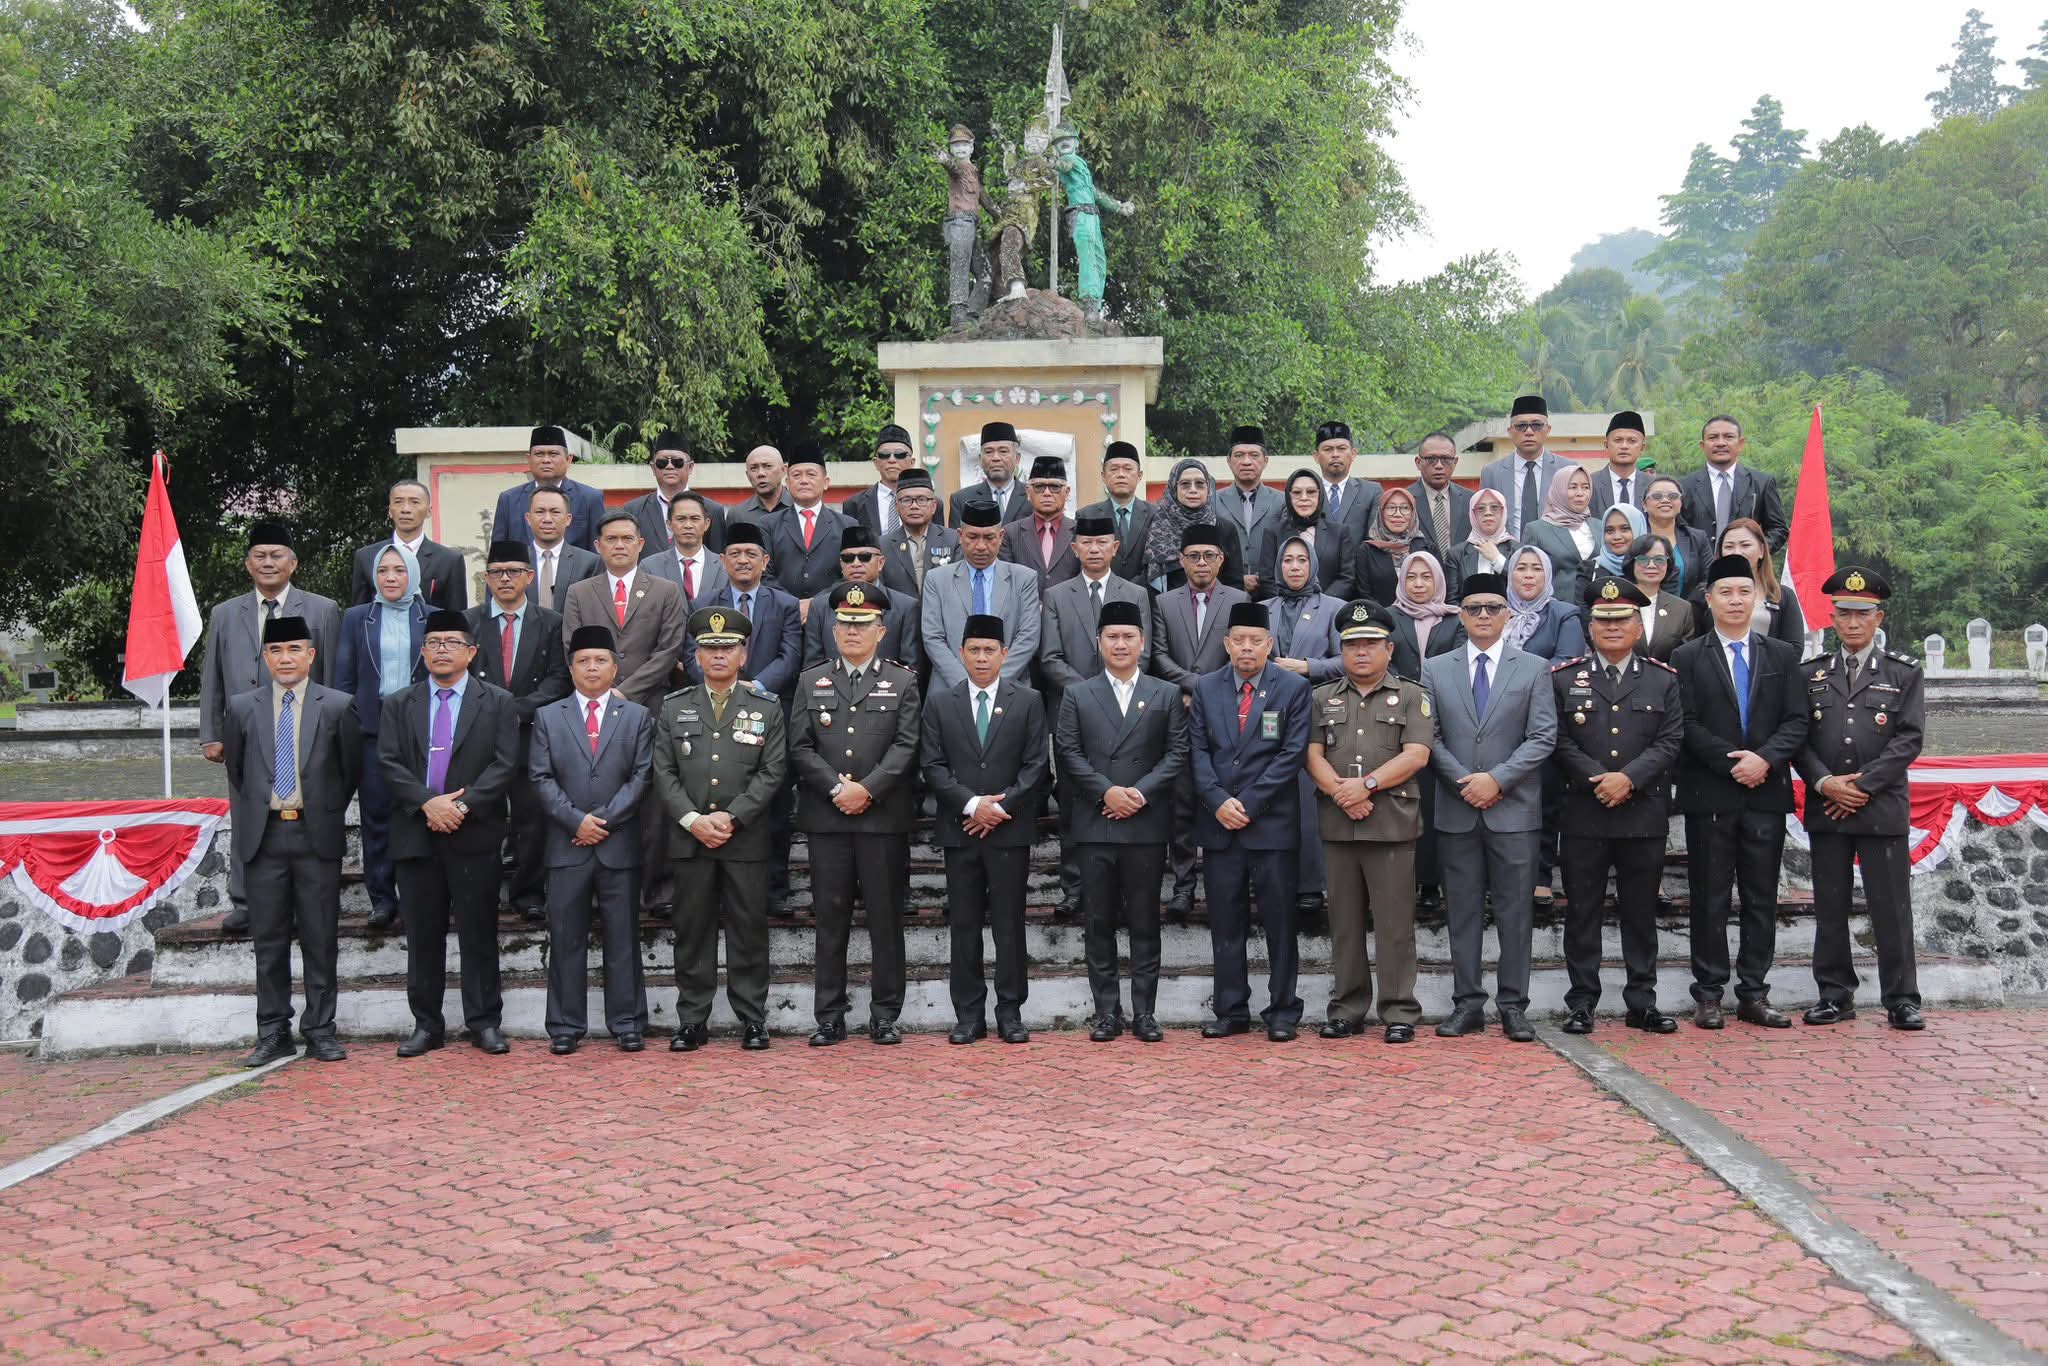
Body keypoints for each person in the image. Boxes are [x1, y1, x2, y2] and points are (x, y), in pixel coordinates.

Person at [1671, 555, 1809, 1029]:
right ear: (1708, 600)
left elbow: (1797, 720)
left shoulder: (1782, 655)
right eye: (1725, 593)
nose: (1735, 601)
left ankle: (1754, 992)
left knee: (1760, 897)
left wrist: (1764, 759)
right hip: (1710, 792)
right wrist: (1733, 762)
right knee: (1709, 897)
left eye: (1744, 592)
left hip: (1765, 792)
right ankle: (1709, 994)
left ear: (1758, 598)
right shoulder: (1687, 657)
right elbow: (1685, 723)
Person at [1422, 573, 1559, 1041]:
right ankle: (1467, 1004)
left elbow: (1542, 736)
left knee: (1515, 913)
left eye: (1493, 608)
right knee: (1461, 912)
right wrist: (1467, 781)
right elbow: (1428, 736)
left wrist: (1496, 780)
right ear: (1460, 616)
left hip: (1513, 810)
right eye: (1474, 608)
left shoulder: (1534, 668)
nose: (1483, 615)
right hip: (1457, 807)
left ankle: (1513, 1005)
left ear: (1508, 615)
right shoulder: (1435, 668)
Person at [378, 609, 521, 1057]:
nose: (442, 650)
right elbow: (389, 762)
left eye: (452, 643)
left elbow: (505, 764)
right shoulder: (399, 703)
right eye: (434, 643)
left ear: (471, 652)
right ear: (422, 652)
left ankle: (484, 1023)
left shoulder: (497, 701)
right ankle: (427, 1025)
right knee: (422, 936)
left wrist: (460, 805)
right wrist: (428, 803)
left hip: (473, 832)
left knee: (479, 933)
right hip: (416, 833)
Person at [223, 616, 361, 1066]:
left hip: (314, 835)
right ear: (265, 657)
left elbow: (350, 771)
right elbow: (239, 772)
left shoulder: (337, 706)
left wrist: (321, 809)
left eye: (295, 650)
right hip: (263, 838)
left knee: (320, 939)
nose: (286, 659)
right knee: (269, 941)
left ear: (311, 655)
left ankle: (321, 1030)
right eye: (276, 651)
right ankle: (272, 1031)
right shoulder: (242, 708)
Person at [789, 582, 922, 1046]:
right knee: (830, 921)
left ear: (880, 631)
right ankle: (829, 1016)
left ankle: (885, 1015)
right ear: (832, 628)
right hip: (828, 820)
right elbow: (800, 747)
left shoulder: (903, 681)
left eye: (862, 624)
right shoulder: (811, 680)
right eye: (845, 623)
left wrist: (867, 789)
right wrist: (836, 788)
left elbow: (907, 746)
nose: (852, 631)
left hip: (881, 820)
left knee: (886, 921)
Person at [1552, 578, 1686, 1035]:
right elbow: (1558, 740)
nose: (1612, 627)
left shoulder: (1662, 678)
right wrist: (1600, 779)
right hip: (1584, 813)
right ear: (1590, 627)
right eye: (1603, 620)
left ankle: (1641, 1003)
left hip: (1641, 813)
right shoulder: (1564, 678)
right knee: (1582, 913)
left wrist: (1628, 779)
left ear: (1638, 626)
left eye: (1621, 619)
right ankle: (1581, 1003)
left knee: (1640, 914)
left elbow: (1670, 740)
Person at [1795, 568, 1926, 1029]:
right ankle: (1835, 995)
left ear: (1878, 618)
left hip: (1880, 806)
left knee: (1891, 907)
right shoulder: (1810, 674)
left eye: (1862, 614)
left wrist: (1861, 786)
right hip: (1827, 805)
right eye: (1845, 614)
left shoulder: (1903, 672)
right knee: (1829, 906)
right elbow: (1798, 739)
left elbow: (1908, 739)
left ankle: (1902, 999)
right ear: (1832, 618)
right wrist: (1825, 783)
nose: (1853, 623)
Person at [1053, 599, 1189, 1043]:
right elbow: (1068, 752)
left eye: (1129, 636)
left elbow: (1177, 752)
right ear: (1099, 642)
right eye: (1112, 636)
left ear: (1143, 642)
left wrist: (1139, 793)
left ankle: (1145, 1012)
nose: (1120, 644)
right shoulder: (1078, 694)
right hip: (1095, 824)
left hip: (1144, 823)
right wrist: (1106, 792)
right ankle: (1106, 1012)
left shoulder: (1165, 693)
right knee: (1099, 922)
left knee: (1145, 921)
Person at [199, 521, 342, 931]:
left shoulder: (322, 610)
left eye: (276, 555)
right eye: (259, 556)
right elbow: (213, 677)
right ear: (248, 564)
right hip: (244, 733)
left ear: (292, 563)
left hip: (304, 728)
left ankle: (302, 901)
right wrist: (211, 733)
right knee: (247, 811)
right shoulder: (225, 614)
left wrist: (330, 729)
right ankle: (246, 900)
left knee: (305, 811)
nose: (267, 563)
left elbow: (332, 673)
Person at [657, 606, 788, 1052]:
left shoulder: (766, 708)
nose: (718, 655)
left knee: (748, 930)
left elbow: (772, 772)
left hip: (743, 838)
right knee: (692, 931)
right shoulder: (674, 706)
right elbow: (663, 772)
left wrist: (731, 817)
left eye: (727, 648)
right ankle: (692, 1020)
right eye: (709, 648)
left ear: (743, 655)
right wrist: (694, 820)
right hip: (690, 839)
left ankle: (753, 1019)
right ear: (695, 656)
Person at [1305, 602, 1433, 1043]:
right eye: (1352, 645)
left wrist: (1367, 787)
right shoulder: (1322, 696)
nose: (1361, 652)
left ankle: (1399, 1011)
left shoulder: (1412, 695)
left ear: (1389, 649)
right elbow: (1312, 753)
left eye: (1370, 644)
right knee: (1344, 923)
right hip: (1339, 824)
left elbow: (1417, 754)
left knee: (1395, 925)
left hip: (1390, 823)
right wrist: (1342, 793)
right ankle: (1347, 1009)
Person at [920, 615, 1049, 1044]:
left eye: (989, 650)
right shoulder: (941, 702)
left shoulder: (1027, 701)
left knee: (1009, 925)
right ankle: (968, 1015)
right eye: (973, 650)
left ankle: (1010, 1012)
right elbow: (932, 765)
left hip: (1009, 831)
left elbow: (1036, 766)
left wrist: (1000, 807)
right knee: (964, 925)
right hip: (960, 830)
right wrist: (973, 805)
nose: (981, 657)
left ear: (1004, 654)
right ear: (961, 654)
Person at [1189, 602, 1313, 1041]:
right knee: (1226, 922)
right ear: (1226, 644)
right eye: (1238, 640)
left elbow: (1291, 754)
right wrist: (1218, 801)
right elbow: (1197, 752)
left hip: (1271, 825)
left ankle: (1282, 1010)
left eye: (1255, 641)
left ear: (1269, 643)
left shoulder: (1293, 688)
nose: (1246, 648)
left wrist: (1248, 803)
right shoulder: (1206, 688)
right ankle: (1231, 1009)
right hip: (1220, 825)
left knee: (1280, 922)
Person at [529, 625, 655, 1054]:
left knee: (623, 938)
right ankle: (565, 1025)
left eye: (601, 660)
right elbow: (540, 777)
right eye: (583, 661)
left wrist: (601, 821)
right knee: (566, 939)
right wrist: (575, 822)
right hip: (567, 846)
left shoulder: (636, 716)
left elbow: (642, 776)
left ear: (615, 668)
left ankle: (628, 1022)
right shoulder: (549, 716)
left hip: (618, 845)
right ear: (571, 669)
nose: (592, 667)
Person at [563, 509, 688, 914]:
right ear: (598, 546)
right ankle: (603, 890)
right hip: (593, 711)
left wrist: (624, 692)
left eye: (626, 539)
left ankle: (657, 889)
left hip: (650, 707)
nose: (619, 545)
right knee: (600, 793)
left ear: (641, 544)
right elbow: (572, 649)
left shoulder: (666, 590)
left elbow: (669, 649)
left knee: (653, 800)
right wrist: (602, 692)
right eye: (611, 539)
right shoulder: (580, 592)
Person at [1039, 512, 1151, 917]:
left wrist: (1108, 692)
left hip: (1127, 714)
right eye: (1086, 543)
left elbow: (1144, 655)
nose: (1094, 549)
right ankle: (1074, 888)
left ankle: (1120, 888)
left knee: (1120, 794)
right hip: (1072, 712)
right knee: (1073, 801)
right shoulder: (1057, 595)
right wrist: (1090, 694)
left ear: (1115, 547)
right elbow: (1050, 658)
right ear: (1074, 548)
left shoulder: (1135, 593)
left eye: (1102, 542)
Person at [465, 540, 571, 926]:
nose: (505, 579)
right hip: (479, 735)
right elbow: (458, 674)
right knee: (479, 814)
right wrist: (492, 711)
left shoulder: (551, 622)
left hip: (531, 732)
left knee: (531, 817)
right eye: (497, 572)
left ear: (529, 576)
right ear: (486, 578)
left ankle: (528, 894)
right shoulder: (469, 622)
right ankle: (478, 892)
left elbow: (559, 678)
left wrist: (517, 710)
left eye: (513, 572)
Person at [1149, 524, 1250, 917]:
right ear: (1181, 560)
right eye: (1194, 556)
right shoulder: (1164, 602)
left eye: (1209, 555)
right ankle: (1183, 886)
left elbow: (1240, 654)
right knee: (1181, 801)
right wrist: (1193, 685)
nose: (1202, 563)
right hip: (1178, 712)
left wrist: (1206, 690)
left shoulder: (1239, 599)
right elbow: (1159, 656)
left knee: (1223, 794)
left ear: (1221, 560)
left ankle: (1227, 883)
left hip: (1224, 713)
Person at [334, 544, 427, 933]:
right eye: (384, 570)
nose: (390, 577)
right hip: (372, 727)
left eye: (399, 570)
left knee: (419, 811)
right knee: (376, 813)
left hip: (422, 727)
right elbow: (344, 677)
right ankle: (382, 899)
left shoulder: (431, 616)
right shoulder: (358, 617)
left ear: (413, 574)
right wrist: (349, 723)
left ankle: (419, 895)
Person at [1266, 535, 1346, 923]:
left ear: (1313, 564)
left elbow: (1348, 660)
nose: (1294, 567)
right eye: (1288, 560)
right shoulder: (1263, 609)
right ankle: (1274, 880)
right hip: (1269, 713)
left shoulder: (1333, 608)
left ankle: (1311, 885)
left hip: (1317, 711)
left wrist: (1307, 667)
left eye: (1301, 560)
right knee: (1271, 794)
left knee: (1308, 800)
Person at [1388, 550, 1464, 913]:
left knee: (1435, 804)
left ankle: (1431, 881)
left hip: (1445, 722)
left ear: (1438, 581)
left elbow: (1459, 667)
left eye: (1426, 577)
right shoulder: (1388, 617)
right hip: (1396, 721)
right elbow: (1384, 665)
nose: (1418, 584)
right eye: (1412, 577)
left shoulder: (1455, 619)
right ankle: (1402, 880)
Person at [920, 498, 1041, 691]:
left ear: (1001, 536)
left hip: (1010, 689)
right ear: (960, 536)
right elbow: (933, 638)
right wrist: (966, 686)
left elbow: (1028, 637)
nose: (981, 546)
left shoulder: (1023, 579)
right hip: (950, 689)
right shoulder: (937, 579)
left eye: (989, 537)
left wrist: (994, 684)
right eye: (973, 537)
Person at [681, 522, 803, 700]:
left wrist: (757, 686)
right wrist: (721, 687)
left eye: (751, 554)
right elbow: (692, 656)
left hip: (769, 699)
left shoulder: (786, 605)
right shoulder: (702, 606)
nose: (743, 560)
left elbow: (790, 656)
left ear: (765, 561)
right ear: (723, 561)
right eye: (735, 554)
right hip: (713, 698)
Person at [804, 526, 923, 672]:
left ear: (880, 563)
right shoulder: (820, 607)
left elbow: (910, 670)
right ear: (841, 564)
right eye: (848, 558)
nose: (856, 563)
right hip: (831, 685)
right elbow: (812, 667)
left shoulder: (905, 607)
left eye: (865, 557)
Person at [349, 479, 468, 612]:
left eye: (414, 502)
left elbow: (457, 616)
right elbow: (358, 614)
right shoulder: (367, 556)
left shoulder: (449, 560)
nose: (405, 509)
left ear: (429, 511)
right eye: (398, 502)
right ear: (390, 511)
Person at [1688, 518, 1805, 647]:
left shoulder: (1782, 596)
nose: (1737, 552)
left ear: (1762, 550)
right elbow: (1691, 646)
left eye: (1745, 545)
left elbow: (1795, 648)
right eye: (1729, 546)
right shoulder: (1702, 595)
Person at [491, 425, 607, 553]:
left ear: (568, 459)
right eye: (539, 454)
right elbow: (498, 554)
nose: (546, 460)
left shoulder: (590, 498)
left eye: (553, 454)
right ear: (529, 459)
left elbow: (599, 554)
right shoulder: (509, 500)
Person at [764, 447, 853, 611]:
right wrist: (793, 605)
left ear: (826, 482)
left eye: (811, 474)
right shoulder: (768, 525)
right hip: (782, 613)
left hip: (831, 613)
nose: (804, 480)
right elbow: (763, 574)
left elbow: (851, 574)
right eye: (796, 475)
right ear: (787, 483)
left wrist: (815, 604)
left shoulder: (847, 525)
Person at [1681, 415, 1787, 551]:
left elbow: (1778, 529)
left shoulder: (1762, 483)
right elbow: (1677, 530)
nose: (1720, 443)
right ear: (1702, 445)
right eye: (1713, 437)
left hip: (1747, 564)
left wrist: (1754, 552)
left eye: (1728, 437)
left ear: (1741, 444)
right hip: (1699, 563)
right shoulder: (1684, 486)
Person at [1252, 470, 1354, 603]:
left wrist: (1321, 604)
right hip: (1283, 610)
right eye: (1297, 493)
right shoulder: (1274, 532)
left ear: (1320, 495)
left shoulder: (1339, 532)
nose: (1304, 497)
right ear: (1288, 496)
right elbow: (1267, 579)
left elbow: (1347, 577)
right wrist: (1291, 605)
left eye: (1311, 492)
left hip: (1329, 609)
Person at [1144, 459, 1245, 593]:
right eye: (1185, 484)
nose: (1193, 490)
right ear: (1174, 488)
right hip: (1167, 604)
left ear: (1208, 488)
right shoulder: (1158, 526)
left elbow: (1235, 583)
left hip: (1217, 604)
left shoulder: (1223, 528)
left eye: (1200, 484)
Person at [1479, 396, 1572, 539]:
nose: (1529, 431)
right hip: (1506, 550)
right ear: (1510, 431)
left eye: (1537, 425)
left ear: (1548, 429)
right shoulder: (1492, 473)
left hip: (1554, 551)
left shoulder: (1567, 469)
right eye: (1521, 425)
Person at [625, 431, 726, 558]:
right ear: (653, 468)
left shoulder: (712, 510)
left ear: (690, 467)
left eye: (677, 462)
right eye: (662, 463)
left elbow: (717, 559)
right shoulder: (634, 510)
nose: (669, 466)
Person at [1215, 427, 1283, 596]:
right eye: (1239, 455)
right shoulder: (1212, 501)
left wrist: (1263, 577)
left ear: (1265, 461)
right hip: (1226, 592)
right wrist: (1237, 578)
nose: (1246, 462)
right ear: (1229, 460)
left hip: (1270, 592)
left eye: (1254, 455)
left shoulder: (1281, 501)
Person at [999, 455, 1080, 591]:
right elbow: (1006, 583)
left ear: (1066, 492)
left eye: (1055, 487)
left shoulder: (1080, 532)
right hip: (1024, 604)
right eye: (1039, 486)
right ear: (1028, 491)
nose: (1047, 493)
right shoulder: (1010, 534)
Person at [1522, 466, 1599, 605]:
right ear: (1559, 490)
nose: (1580, 493)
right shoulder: (1536, 530)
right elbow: (1529, 575)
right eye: (1573, 487)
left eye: (1585, 487)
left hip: (1599, 608)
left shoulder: (1600, 526)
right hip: (1557, 610)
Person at [1081, 441, 1155, 586]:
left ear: (1139, 476)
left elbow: (1156, 563)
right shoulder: (1086, 515)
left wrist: (1132, 591)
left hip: (1145, 595)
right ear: (1103, 476)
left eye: (1128, 469)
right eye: (1114, 469)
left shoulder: (1155, 515)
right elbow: (1083, 562)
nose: (1121, 474)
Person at [878, 468, 960, 599]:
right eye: (906, 500)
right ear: (897, 506)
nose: (914, 506)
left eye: (922, 500)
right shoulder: (882, 545)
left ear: (933, 506)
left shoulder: (953, 540)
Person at [640, 491, 728, 608]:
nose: (688, 525)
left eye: (695, 518)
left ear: (707, 524)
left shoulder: (725, 566)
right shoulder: (650, 567)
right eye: (681, 519)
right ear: (669, 524)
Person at [845, 424, 935, 537]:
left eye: (900, 454)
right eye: (884, 455)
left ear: (912, 462)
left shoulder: (930, 502)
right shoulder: (855, 504)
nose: (892, 460)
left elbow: (938, 539)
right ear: (876, 463)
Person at [1503, 546, 1588, 663]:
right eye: (1521, 568)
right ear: (1510, 574)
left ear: (1548, 574)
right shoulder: (1496, 612)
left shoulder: (1564, 615)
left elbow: (1568, 660)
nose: (1529, 575)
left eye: (1537, 569)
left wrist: (1524, 674)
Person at [525, 487, 602, 614]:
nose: (547, 519)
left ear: (568, 519)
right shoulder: (516, 562)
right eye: (540, 512)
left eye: (555, 512)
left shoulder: (589, 563)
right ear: (528, 518)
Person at [1640, 473, 1714, 598]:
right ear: (1644, 505)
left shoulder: (1697, 538)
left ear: (1680, 503)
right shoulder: (1635, 536)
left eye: (1673, 496)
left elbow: (1710, 580)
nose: (1665, 500)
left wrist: (1687, 606)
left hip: (1688, 607)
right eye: (1657, 496)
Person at [1352, 485, 1426, 607]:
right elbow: (1364, 593)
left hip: (1423, 615)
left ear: (1413, 513)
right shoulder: (1366, 551)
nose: (1398, 514)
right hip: (1380, 615)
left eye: (1405, 508)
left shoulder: (1426, 548)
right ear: (1381, 512)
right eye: (1391, 508)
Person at [1311, 421, 1382, 548]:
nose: (1335, 454)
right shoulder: (1306, 493)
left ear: (1353, 454)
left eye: (1342, 448)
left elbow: (1374, 540)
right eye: (1328, 449)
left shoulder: (1371, 492)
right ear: (1316, 456)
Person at [1625, 533, 1694, 662]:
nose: (1651, 565)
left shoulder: (1682, 609)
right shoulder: (1616, 603)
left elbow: (1685, 657)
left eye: (1659, 560)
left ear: (1668, 564)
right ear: (1631, 563)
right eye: (1643, 559)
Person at [1407, 431, 1473, 564]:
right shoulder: (1405, 501)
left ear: (1455, 462)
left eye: (1446, 459)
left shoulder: (1471, 501)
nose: (1438, 465)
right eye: (1431, 459)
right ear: (1418, 462)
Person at [949, 422, 1033, 524]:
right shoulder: (961, 499)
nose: (995, 458)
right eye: (989, 452)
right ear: (980, 459)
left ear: (1017, 458)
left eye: (1003, 451)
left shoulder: (1033, 496)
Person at [1449, 487, 1516, 597]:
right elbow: (1452, 600)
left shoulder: (1517, 550)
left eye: (1494, 507)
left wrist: (1497, 560)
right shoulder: (1456, 554)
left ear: (1503, 512)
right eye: (1481, 508)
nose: (1488, 513)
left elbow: (1522, 585)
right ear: (1473, 514)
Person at [1588, 411, 1651, 517]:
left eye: (1632, 441)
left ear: (1642, 447)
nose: (1624, 446)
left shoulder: (1653, 485)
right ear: (1606, 445)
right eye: (1618, 440)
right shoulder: (1589, 485)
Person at [727, 444, 789, 528]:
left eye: (768, 466)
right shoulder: (737, 515)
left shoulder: (800, 506)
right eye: (753, 468)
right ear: (747, 475)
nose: (760, 473)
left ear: (783, 470)